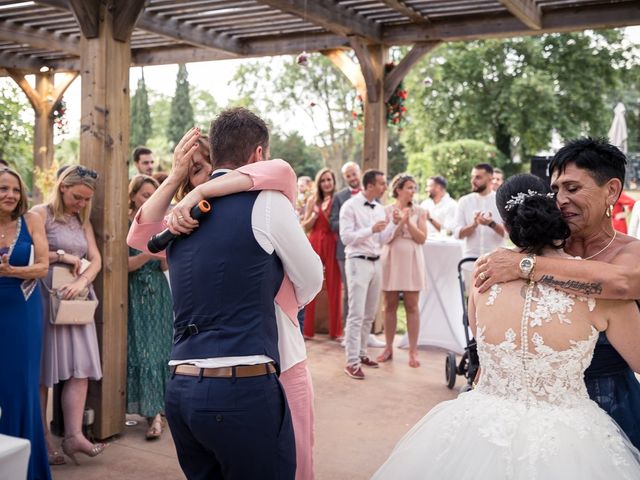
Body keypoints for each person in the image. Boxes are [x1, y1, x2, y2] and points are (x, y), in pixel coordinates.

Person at [372, 173, 640, 479]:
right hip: (568, 436)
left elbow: (482, 350)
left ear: (508, 225)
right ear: (555, 212)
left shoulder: (484, 273)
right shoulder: (597, 286)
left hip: (481, 426)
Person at [128, 109, 323, 479]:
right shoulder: (191, 216)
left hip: (191, 380)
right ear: (259, 154)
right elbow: (312, 279)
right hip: (262, 369)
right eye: (192, 169)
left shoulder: (187, 215)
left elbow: (139, 237)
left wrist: (193, 188)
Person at [474, 137, 640, 449]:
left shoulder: (630, 252)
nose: (560, 199)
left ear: (612, 191)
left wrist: (525, 265)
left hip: (610, 400)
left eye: (572, 188)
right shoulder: (534, 249)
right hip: (521, 412)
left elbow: (622, 283)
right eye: (555, 190)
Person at [32, 165, 105, 464]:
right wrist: (64, 256)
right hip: (46, 295)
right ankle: (43, 440)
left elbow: (96, 259)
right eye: (77, 197)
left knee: (81, 369)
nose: (82, 204)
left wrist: (82, 281)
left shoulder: (81, 219)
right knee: (42, 373)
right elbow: (30, 253)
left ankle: (74, 436)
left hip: (77, 297)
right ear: (62, 187)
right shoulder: (39, 213)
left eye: (87, 199)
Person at [0, 167, 51, 480]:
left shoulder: (31, 220)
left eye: (15, 190)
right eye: (4, 189)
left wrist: (11, 273)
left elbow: (43, 267)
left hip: (22, 309)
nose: (10, 195)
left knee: (20, 386)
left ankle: (27, 468)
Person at [126, 175, 173, 440]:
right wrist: (151, 249)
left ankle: (158, 411)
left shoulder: (161, 224)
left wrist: (165, 251)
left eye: (153, 195)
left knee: (160, 352)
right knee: (140, 354)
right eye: (145, 195)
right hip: (134, 293)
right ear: (133, 196)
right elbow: (128, 266)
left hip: (158, 293)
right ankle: (150, 412)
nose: (149, 200)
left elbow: (165, 265)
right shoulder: (125, 223)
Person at [340, 169, 396, 379]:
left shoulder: (380, 209)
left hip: (375, 262)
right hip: (357, 262)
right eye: (381, 183)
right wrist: (370, 230)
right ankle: (351, 362)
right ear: (370, 185)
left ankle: (362, 353)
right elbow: (346, 238)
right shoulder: (350, 206)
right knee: (356, 314)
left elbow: (383, 240)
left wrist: (394, 224)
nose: (384, 187)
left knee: (369, 314)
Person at [330, 161, 385, 348]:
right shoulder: (341, 199)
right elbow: (335, 224)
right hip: (348, 254)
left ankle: (364, 339)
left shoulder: (377, 203)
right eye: (348, 176)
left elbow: (382, 233)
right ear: (345, 178)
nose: (352, 178)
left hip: (373, 256)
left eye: (354, 174)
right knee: (351, 297)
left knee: (369, 303)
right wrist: (364, 228)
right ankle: (350, 338)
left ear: (360, 174)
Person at [378, 174, 427, 367]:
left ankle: (413, 351)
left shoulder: (421, 211)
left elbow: (422, 238)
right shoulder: (386, 210)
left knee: (412, 306)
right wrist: (398, 222)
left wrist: (408, 221)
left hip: (413, 260)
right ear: (398, 189)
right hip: (391, 258)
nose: (412, 191)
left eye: (414, 188)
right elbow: (385, 238)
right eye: (409, 187)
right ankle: (388, 347)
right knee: (389, 305)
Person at [301, 168, 342, 339]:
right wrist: (315, 216)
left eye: (329, 180)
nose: (326, 183)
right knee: (311, 283)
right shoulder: (313, 200)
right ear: (319, 183)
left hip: (332, 241)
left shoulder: (338, 200)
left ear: (333, 182)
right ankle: (307, 330)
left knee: (334, 285)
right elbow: (305, 226)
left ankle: (336, 331)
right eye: (323, 180)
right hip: (315, 240)